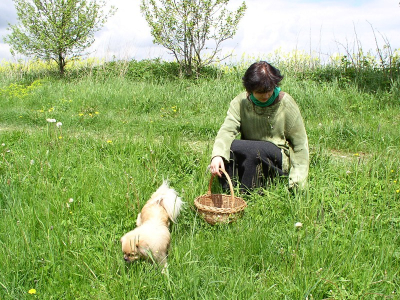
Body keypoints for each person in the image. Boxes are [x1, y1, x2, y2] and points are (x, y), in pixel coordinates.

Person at [210, 61, 309, 192]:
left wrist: (297, 181)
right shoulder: (240, 102)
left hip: (276, 156)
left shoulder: (286, 103)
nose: (266, 95)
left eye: (269, 90)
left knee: (254, 150)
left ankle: (248, 195)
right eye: (260, 92)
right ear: (249, 90)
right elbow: (227, 131)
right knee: (230, 147)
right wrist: (218, 155)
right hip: (250, 152)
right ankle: (228, 195)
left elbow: (300, 144)